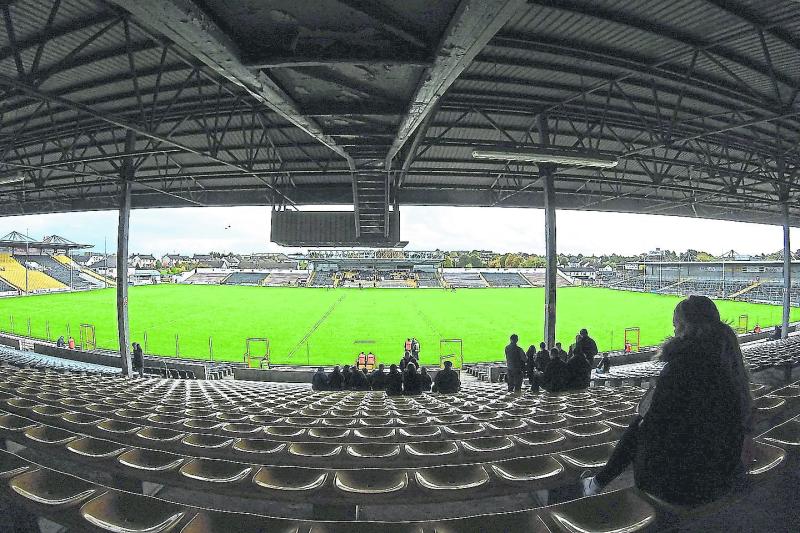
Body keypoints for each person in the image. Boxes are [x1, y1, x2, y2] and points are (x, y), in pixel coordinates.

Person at [582, 295, 754, 506]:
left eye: (676, 326)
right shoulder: (730, 363)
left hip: (683, 485)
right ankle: (598, 482)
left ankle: (598, 482)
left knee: (639, 425)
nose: (673, 331)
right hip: (723, 473)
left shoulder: (681, 366)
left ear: (685, 327)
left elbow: (653, 425)